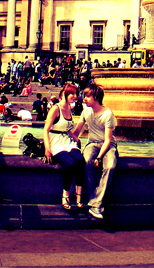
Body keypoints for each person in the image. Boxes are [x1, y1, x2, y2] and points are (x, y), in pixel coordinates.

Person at [72, 84, 117, 220]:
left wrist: (99, 157)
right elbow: (77, 132)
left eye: (87, 96)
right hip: (92, 144)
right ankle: (95, 205)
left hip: (107, 146)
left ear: (96, 97)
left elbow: (108, 140)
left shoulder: (108, 114)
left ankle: (94, 203)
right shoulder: (86, 111)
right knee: (86, 161)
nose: (84, 98)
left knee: (110, 166)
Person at [43, 83, 85, 211]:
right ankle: (65, 194)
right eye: (72, 94)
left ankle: (78, 194)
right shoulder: (56, 109)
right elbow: (46, 129)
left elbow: (66, 128)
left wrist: (75, 137)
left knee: (80, 161)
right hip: (56, 141)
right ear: (65, 95)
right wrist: (47, 148)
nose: (75, 96)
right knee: (70, 164)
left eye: (76, 94)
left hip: (67, 140)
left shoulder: (70, 109)